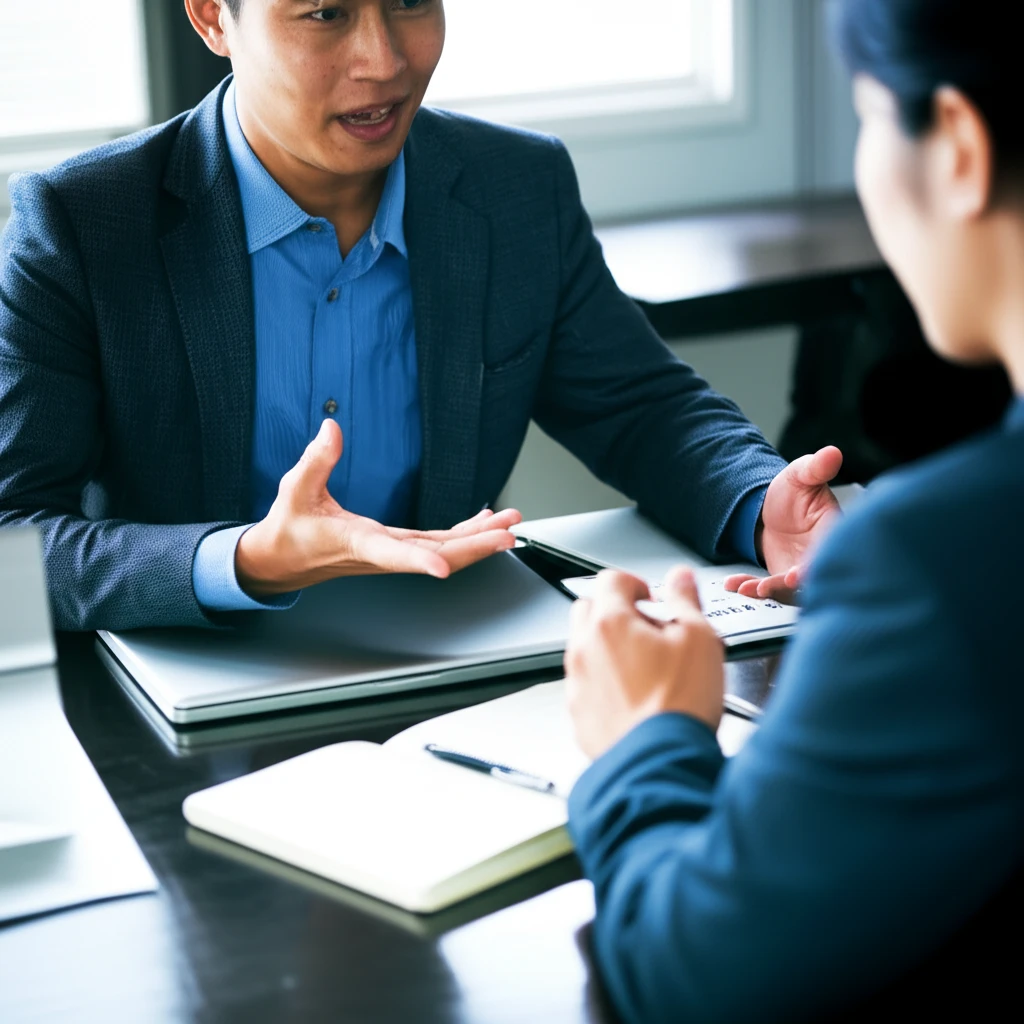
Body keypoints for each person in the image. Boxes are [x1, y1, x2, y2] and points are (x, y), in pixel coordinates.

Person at [0, 0, 839, 632]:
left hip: (452, 655)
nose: (386, 59)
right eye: (326, 13)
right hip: (178, 678)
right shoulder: (81, 224)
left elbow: (640, 407)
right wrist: (245, 560)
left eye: (409, 0)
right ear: (214, 17)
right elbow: (13, 541)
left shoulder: (517, 186)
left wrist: (759, 497)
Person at [564, 0, 1024, 1020]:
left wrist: (644, 737)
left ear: (954, 146)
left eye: (864, 115)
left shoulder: (938, 557)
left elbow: (685, 979)